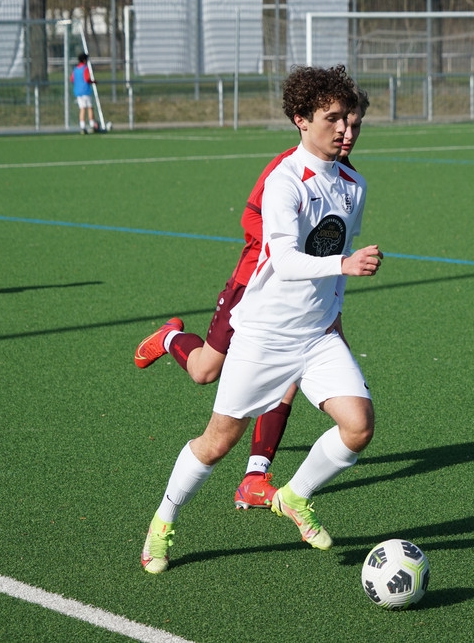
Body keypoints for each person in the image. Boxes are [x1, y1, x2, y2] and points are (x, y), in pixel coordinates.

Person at [140, 65, 382, 574]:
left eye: (350, 120)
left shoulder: (354, 184)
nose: (345, 130)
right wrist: (344, 265)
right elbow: (287, 261)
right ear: (301, 120)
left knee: (358, 426)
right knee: (217, 442)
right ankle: (162, 522)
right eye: (333, 119)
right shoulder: (284, 181)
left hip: (317, 334)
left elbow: (337, 252)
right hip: (265, 334)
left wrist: (335, 318)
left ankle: (294, 495)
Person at [71, 52, 97, 134]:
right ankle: (92, 125)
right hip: (85, 91)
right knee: (90, 108)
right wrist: (93, 82)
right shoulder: (85, 68)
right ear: (84, 60)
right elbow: (87, 79)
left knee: (82, 109)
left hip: (78, 92)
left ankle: (82, 126)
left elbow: (72, 79)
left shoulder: (75, 69)